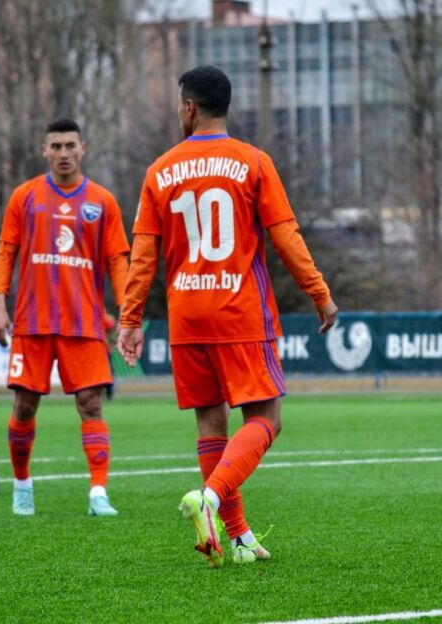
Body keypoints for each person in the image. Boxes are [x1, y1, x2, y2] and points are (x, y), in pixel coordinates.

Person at [118, 65, 338, 567]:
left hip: (187, 316)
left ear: (189, 107)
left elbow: (144, 253)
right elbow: (285, 237)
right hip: (240, 313)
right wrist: (319, 293)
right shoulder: (253, 162)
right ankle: (211, 499)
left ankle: (237, 539)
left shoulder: (159, 170)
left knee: (210, 426)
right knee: (267, 420)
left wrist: (130, 318)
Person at [0, 118, 130, 517]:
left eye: (70, 145)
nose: (64, 153)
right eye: (56, 146)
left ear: (83, 148)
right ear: (44, 151)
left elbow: (117, 262)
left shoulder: (102, 201)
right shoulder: (25, 196)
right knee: (24, 406)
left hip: (83, 322)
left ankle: (98, 493)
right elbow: (6, 251)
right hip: (32, 321)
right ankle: (22, 485)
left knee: (91, 405)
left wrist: (127, 311)